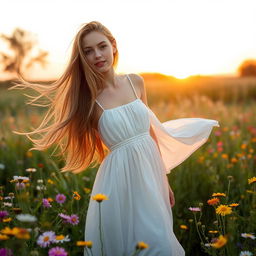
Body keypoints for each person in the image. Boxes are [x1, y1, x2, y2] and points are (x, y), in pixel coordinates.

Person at [10, 21, 219, 255]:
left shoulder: (135, 82)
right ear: (83, 58)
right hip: (120, 179)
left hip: (151, 174)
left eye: (102, 46)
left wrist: (164, 178)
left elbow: (150, 132)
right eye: (88, 51)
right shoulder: (88, 101)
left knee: (159, 239)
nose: (97, 55)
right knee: (136, 244)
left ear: (113, 46)